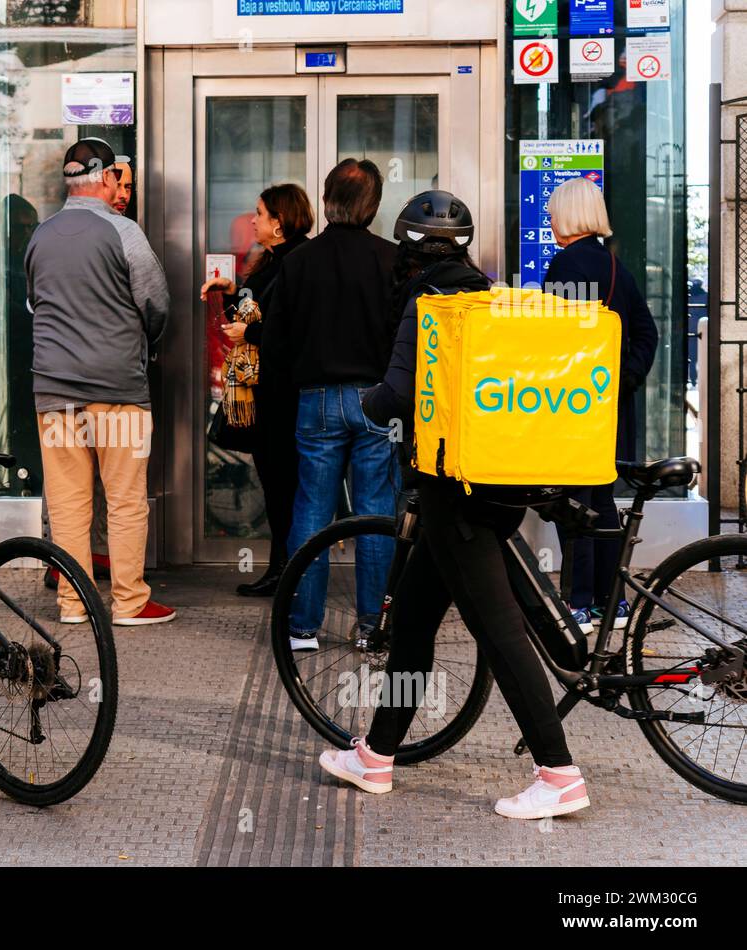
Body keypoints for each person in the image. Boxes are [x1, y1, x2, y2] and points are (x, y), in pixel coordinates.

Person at [320, 191, 591, 821]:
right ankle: (378, 755)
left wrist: (363, 406)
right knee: (413, 622)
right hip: (495, 485)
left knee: (500, 634)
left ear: (408, 249)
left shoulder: (427, 303)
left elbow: (395, 393)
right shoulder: (490, 294)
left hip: (453, 494)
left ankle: (559, 773)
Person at [26, 137, 174, 627]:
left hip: (53, 392)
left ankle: (74, 604)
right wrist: (142, 345)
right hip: (117, 392)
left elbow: (34, 305)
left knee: (68, 504)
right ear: (108, 178)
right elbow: (155, 302)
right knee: (125, 500)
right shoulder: (124, 233)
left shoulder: (40, 237)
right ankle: (129, 602)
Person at [263, 160, 399, 648]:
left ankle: (302, 627)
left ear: (326, 200)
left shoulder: (299, 261)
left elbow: (274, 342)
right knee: (375, 512)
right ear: (375, 205)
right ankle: (371, 627)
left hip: (316, 399)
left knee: (312, 511)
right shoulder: (393, 260)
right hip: (378, 401)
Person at [544, 177, 658, 632]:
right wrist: (623, 378)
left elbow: (549, 341)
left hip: (572, 406)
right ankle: (613, 602)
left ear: (569, 216)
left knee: (572, 503)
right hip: (607, 407)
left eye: (553, 212)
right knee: (602, 501)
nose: (550, 219)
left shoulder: (563, 266)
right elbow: (647, 333)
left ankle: (577, 603)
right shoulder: (616, 268)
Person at [199, 184, 314, 596]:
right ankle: (283, 570)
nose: (253, 219)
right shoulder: (272, 261)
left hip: (284, 396)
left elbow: (292, 329)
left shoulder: (298, 262)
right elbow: (256, 313)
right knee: (277, 485)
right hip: (266, 393)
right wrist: (229, 294)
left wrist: (251, 330)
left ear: (279, 223)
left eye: (260, 213)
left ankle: (288, 574)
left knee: (284, 487)